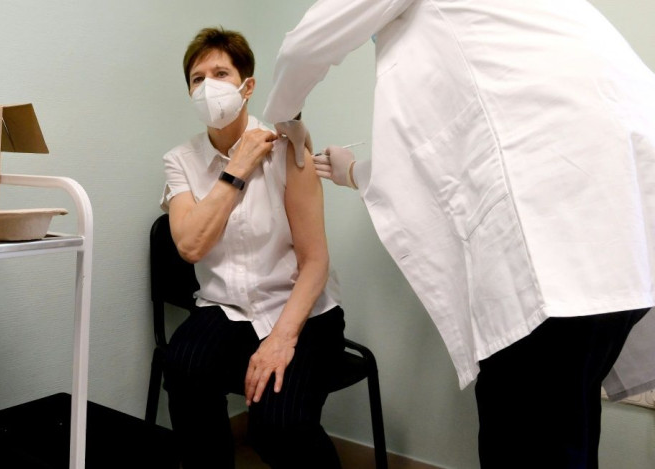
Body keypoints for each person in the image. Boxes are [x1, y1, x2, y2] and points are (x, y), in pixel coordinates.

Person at [263, 1, 655, 468]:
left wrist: (285, 115)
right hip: (624, 233)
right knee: (568, 424)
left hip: (555, 246)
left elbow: (304, 44)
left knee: (526, 438)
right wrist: (354, 173)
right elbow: (455, 150)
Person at [159, 27, 345, 469]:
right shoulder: (179, 161)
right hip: (226, 309)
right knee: (182, 368)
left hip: (301, 309)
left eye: (220, 73)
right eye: (197, 78)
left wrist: (282, 339)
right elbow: (190, 245)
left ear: (247, 86)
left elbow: (315, 261)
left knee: (277, 427)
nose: (208, 87)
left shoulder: (288, 145)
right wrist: (237, 167)